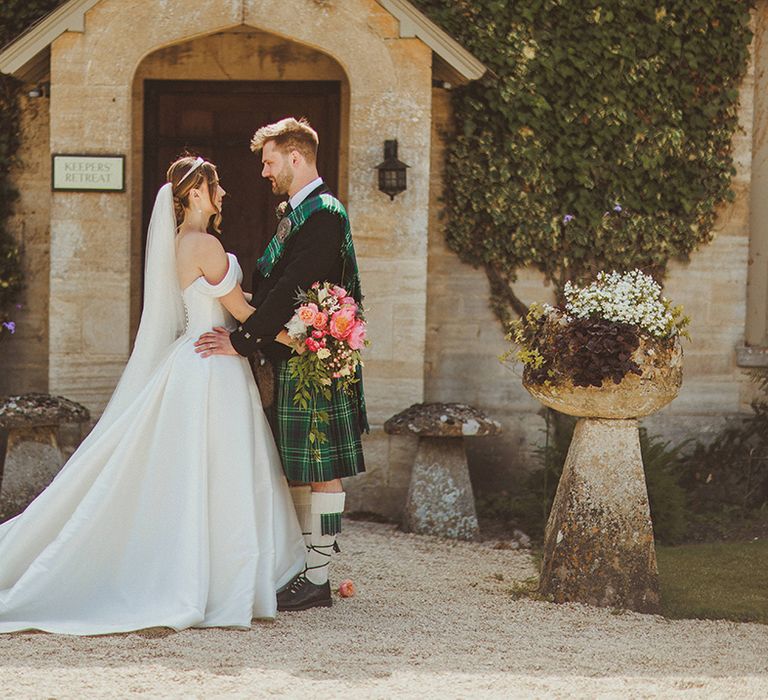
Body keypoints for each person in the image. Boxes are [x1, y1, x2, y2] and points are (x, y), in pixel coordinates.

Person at [0, 156, 306, 634]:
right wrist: (309, 339)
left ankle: (210, 568)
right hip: (213, 364)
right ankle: (219, 577)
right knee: (219, 469)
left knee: (199, 470)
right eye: (216, 184)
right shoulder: (204, 244)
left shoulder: (183, 241)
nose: (223, 192)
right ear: (198, 194)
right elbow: (243, 311)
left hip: (199, 357)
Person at [195, 118, 368, 611]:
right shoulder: (299, 211)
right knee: (300, 466)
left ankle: (316, 577)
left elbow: (296, 286)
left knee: (321, 468)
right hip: (292, 352)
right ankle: (302, 567)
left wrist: (242, 341)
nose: (264, 171)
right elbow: (276, 288)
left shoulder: (324, 214)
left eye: (269, 161)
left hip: (312, 360)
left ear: (296, 157)